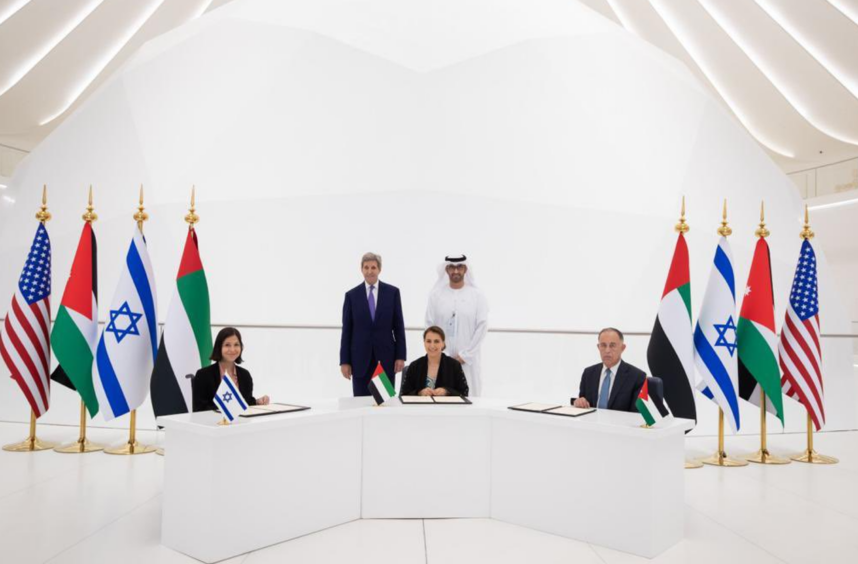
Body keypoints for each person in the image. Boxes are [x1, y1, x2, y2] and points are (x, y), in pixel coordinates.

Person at [340, 252, 406, 396]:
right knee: (361, 404)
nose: (370, 271)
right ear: (361, 269)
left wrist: (400, 356)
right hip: (359, 360)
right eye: (366, 267)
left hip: (385, 359)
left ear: (379, 269)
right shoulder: (351, 296)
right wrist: (344, 361)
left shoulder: (392, 293)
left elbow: (399, 326)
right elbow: (347, 331)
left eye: (373, 267)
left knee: (383, 402)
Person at [425, 254, 489, 396]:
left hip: (468, 363)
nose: (455, 271)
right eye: (452, 267)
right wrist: (443, 355)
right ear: (446, 270)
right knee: (440, 399)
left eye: (459, 267)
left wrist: (465, 356)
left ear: (465, 269)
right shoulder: (436, 296)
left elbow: (482, 327)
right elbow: (430, 326)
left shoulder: (477, 296)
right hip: (441, 360)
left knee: (470, 398)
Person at [193, 327, 269, 412]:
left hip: (239, 424)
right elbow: (199, 408)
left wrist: (258, 402)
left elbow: (246, 403)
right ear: (219, 347)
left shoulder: (245, 375)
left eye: (236, 345)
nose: (232, 350)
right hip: (212, 423)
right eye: (227, 345)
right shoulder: (203, 375)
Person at [572, 327, 645, 412]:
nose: (607, 350)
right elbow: (583, 403)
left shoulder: (637, 377)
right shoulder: (588, 373)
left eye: (612, 345)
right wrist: (579, 402)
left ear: (622, 348)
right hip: (591, 424)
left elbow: (637, 415)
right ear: (598, 347)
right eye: (603, 345)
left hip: (619, 425)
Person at [401, 326, 469, 397]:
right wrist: (419, 393)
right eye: (428, 341)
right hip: (420, 408)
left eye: (436, 341)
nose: (432, 345)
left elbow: (464, 392)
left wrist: (447, 391)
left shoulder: (454, 365)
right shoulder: (414, 366)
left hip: (446, 408)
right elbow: (404, 394)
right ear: (424, 343)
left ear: (443, 343)